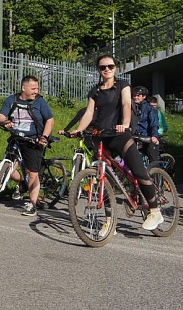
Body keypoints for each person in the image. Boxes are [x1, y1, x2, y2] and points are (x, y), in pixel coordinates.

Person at [70, 55, 164, 233]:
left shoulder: (123, 85)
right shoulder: (95, 90)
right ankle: (109, 221)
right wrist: (79, 129)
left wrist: (126, 123)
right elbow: (89, 113)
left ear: (116, 68)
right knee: (105, 181)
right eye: (103, 67)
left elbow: (126, 104)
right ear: (98, 70)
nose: (106, 69)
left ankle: (155, 210)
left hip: (120, 134)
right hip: (101, 136)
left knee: (139, 172)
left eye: (110, 66)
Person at [0, 75, 55, 216]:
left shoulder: (40, 102)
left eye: (37, 88)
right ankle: (22, 183)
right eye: (33, 88)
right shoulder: (12, 100)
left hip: (33, 141)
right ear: (24, 88)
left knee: (32, 173)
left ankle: (33, 204)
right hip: (16, 138)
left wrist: (44, 137)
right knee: (7, 169)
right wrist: (5, 122)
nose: (36, 91)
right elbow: (1, 116)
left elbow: (50, 120)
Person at [133, 85, 161, 163]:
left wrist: (154, 136)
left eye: (138, 96)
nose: (135, 97)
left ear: (144, 96)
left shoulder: (150, 108)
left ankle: (157, 173)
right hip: (135, 135)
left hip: (147, 136)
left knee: (153, 160)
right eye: (134, 95)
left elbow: (154, 123)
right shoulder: (132, 107)